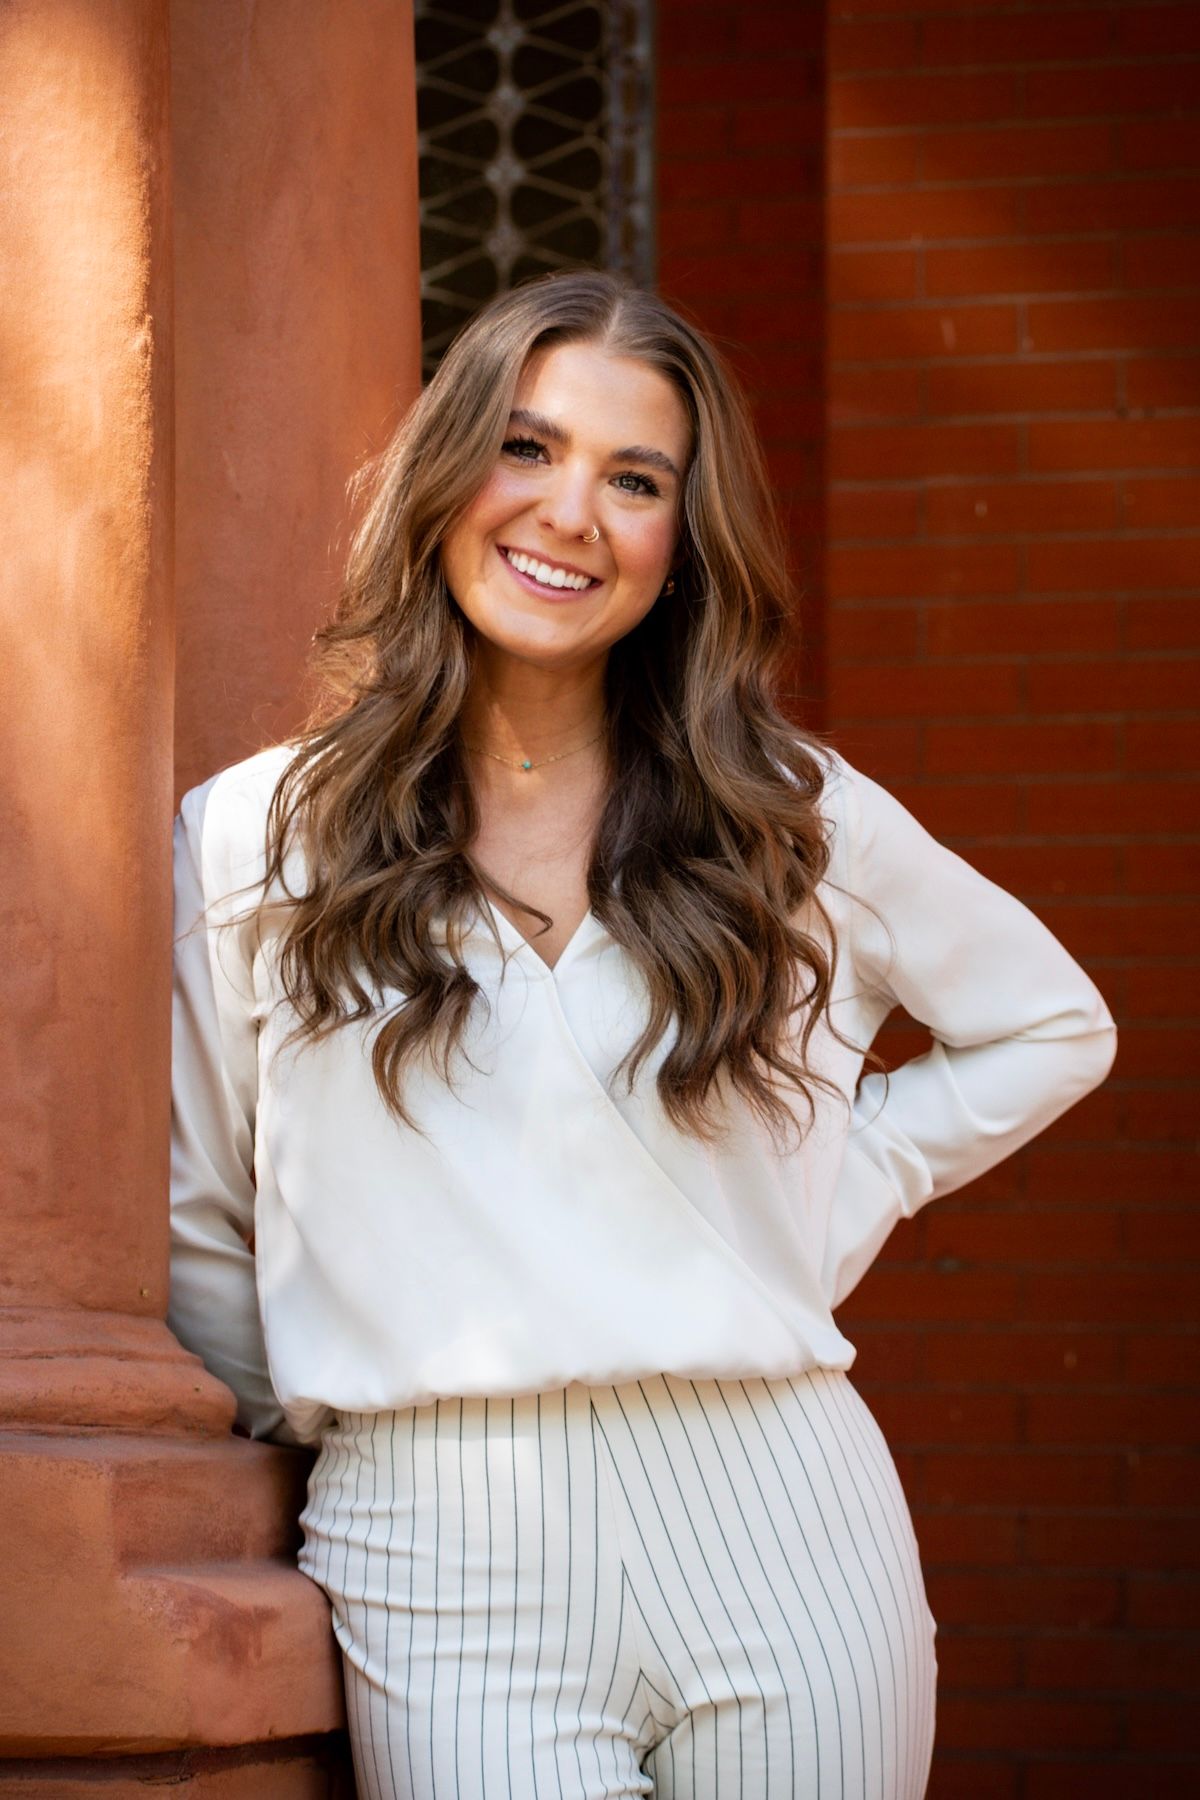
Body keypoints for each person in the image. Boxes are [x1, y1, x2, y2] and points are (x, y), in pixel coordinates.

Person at [168, 270, 1117, 1800]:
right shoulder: (253, 838)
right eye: (526, 448)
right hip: (436, 1541)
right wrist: (332, 1415)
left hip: (784, 1516)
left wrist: (849, 1181)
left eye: (635, 480)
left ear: (682, 544)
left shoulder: (790, 822)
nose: (569, 514)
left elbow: (1053, 1024)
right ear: (443, 472)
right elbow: (200, 1217)